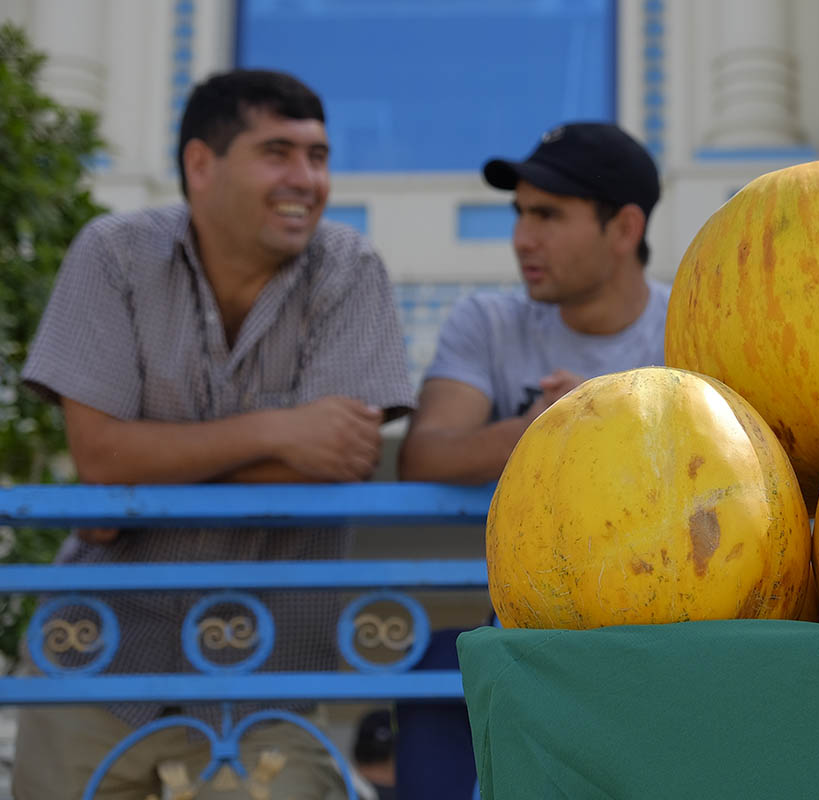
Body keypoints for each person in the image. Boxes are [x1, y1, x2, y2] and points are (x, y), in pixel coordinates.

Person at [13, 69, 414, 800]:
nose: (306, 180)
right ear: (201, 164)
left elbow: (343, 458)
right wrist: (277, 431)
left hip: (267, 679)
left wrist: (147, 465)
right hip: (96, 654)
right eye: (277, 153)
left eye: (318, 156)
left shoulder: (350, 271)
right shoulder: (114, 254)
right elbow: (99, 458)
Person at [396, 121, 670, 485]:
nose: (522, 240)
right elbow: (421, 460)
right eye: (520, 213)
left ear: (625, 229)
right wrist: (541, 429)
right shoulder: (487, 323)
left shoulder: (690, 331)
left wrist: (606, 417)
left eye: (547, 215)